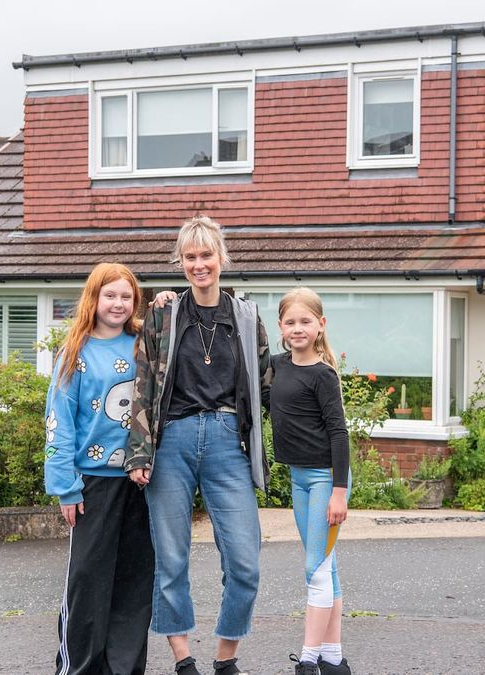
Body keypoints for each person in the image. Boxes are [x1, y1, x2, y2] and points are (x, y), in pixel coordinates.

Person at [125, 215, 270, 675]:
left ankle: (226, 658)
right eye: (190, 257)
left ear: (222, 258)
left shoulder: (246, 316)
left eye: (207, 255)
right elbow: (143, 386)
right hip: (173, 442)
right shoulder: (164, 315)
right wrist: (139, 452)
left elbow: (267, 384)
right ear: (181, 261)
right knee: (171, 559)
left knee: (245, 561)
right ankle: (183, 659)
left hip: (229, 443)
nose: (199, 264)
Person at [45, 262, 154, 675]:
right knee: (89, 583)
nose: (118, 303)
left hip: (139, 482)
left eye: (126, 296)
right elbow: (59, 422)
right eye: (110, 295)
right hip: (91, 484)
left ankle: (124, 669)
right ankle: (80, 668)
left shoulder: (145, 342)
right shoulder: (75, 353)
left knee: (133, 583)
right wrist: (65, 487)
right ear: (94, 299)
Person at [268, 288, 353, 675]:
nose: (297, 328)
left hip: (325, 480)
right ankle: (334, 660)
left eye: (306, 321)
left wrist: (338, 492)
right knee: (326, 567)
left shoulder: (323, 376)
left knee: (314, 568)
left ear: (321, 325)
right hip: (298, 478)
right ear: (281, 327)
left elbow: (339, 432)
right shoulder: (277, 366)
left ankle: (308, 659)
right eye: (290, 322)